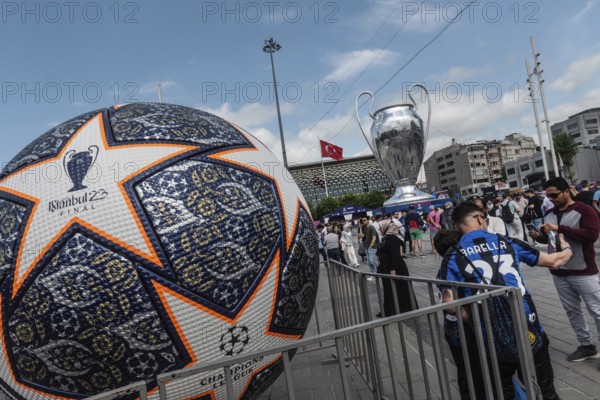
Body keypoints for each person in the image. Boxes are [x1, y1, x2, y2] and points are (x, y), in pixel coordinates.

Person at [438, 201, 573, 400]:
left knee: (503, 393)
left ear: (458, 226)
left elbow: (449, 305)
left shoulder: (452, 256)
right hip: (527, 324)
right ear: (478, 218)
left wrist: (475, 320)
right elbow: (554, 260)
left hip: (489, 337)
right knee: (545, 391)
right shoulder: (507, 242)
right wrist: (568, 248)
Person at [530, 177, 600, 362]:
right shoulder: (549, 213)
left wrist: (560, 227)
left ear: (567, 191)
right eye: (548, 195)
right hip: (559, 271)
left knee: (597, 310)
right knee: (572, 310)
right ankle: (587, 346)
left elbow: (592, 235)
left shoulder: (584, 210)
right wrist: (539, 237)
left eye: (555, 194)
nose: (552, 198)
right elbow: (551, 240)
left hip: (583, 270)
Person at [376, 220, 415, 316]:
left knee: (395, 288)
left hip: (395, 269)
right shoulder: (387, 237)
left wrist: (393, 269)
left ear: (386, 227)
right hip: (390, 268)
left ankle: (396, 310)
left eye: (381, 227)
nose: (380, 229)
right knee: (391, 289)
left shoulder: (391, 238)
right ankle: (391, 310)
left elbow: (395, 254)